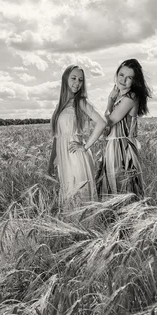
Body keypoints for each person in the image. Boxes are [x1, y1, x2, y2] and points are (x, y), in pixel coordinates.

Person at [48, 65, 107, 209]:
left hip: (76, 157)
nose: (77, 83)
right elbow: (57, 136)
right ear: (65, 79)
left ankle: (88, 229)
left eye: (80, 80)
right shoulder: (60, 106)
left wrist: (85, 147)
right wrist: (51, 161)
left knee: (80, 198)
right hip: (63, 160)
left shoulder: (80, 101)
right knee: (69, 197)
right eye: (73, 78)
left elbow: (101, 123)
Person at [96, 58, 152, 198]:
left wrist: (110, 100)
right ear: (116, 74)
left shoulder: (131, 97)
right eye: (121, 75)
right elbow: (106, 129)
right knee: (111, 188)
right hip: (113, 146)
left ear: (135, 81)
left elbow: (108, 121)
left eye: (129, 78)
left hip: (123, 149)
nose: (123, 80)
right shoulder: (120, 97)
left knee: (124, 188)